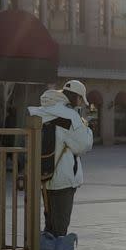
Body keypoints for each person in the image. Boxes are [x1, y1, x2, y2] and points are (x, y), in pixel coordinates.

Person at [28, 80, 94, 237]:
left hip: (44, 176)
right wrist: (88, 129)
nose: (80, 104)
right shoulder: (69, 116)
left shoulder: (43, 111)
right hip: (63, 179)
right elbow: (84, 145)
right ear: (76, 97)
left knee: (49, 224)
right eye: (80, 100)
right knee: (60, 228)